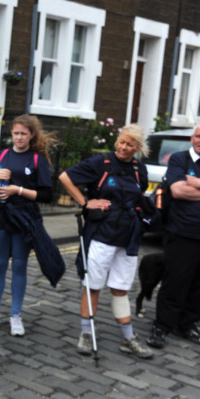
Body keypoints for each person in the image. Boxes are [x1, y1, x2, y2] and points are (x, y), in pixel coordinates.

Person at [59, 124, 153, 359]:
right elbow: (65, 176)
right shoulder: (101, 163)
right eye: (122, 142)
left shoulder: (139, 169)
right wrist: (85, 202)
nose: (124, 147)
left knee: (121, 288)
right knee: (93, 284)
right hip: (102, 234)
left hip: (128, 237)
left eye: (130, 144)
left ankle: (128, 338)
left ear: (138, 148)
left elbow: (139, 195)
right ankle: (86, 333)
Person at [0, 115, 55, 336]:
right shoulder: (2, 154)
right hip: (0, 215)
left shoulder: (37, 159)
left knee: (20, 265)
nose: (19, 137)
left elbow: (47, 195)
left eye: (24, 133)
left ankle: (16, 315)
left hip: (24, 218)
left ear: (31, 135)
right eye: (16, 133)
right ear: (11, 134)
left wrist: (18, 190)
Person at [147, 124, 200, 349]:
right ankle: (162, 326)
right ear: (192, 137)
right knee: (175, 281)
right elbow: (178, 191)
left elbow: (187, 188)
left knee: (198, 284)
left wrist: (195, 184)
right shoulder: (179, 159)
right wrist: (187, 186)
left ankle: (188, 323)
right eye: (198, 136)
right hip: (182, 232)